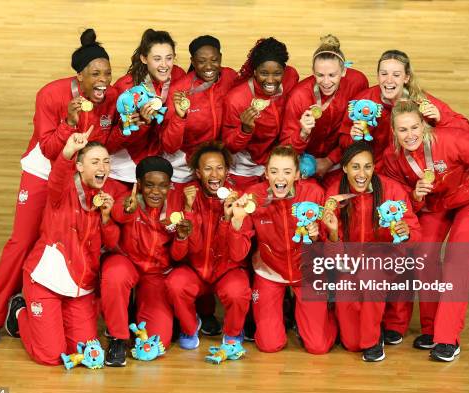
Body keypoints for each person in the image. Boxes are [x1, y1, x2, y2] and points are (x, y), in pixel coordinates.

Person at [0, 28, 122, 344]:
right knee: (22, 241)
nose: (103, 81)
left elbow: (110, 139)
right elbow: (47, 148)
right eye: (95, 74)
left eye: (108, 74)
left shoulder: (110, 99)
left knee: (81, 238)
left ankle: (70, 304)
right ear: (79, 76)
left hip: (82, 176)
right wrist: (68, 124)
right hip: (44, 174)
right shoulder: (51, 95)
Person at [383, 100, 469, 362]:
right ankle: (430, 328)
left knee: (456, 261)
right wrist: (414, 196)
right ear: (393, 132)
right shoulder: (392, 159)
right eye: (403, 130)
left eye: (415, 127)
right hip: (437, 204)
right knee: (423, 257)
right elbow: (399, 200)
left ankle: (448, 338)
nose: (410, 135)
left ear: (424, 125)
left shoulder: (448, 139)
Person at [3, 128, 119, 365]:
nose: (102, 168)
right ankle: (19, 311)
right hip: (46, 280)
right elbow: (57, 177)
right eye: (95, 161)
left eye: (106, 162)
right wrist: (68, 152)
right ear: (79, 166)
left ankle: (53, 321)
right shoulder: (62, 191)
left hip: (81, 285)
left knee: (85, 352)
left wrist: (107, 218)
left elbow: (112, 243)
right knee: (51, 356)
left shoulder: (107, 196)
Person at [226, 146, 337, 354]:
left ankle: (328, 313)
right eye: (274, 171)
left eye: (287, 172)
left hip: (307, 271)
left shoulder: (314, 193)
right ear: (266, 173)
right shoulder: (253, 198)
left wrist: (317, 237)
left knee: (318, 347)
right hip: (269, 271)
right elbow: (237, 254)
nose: (280, 178)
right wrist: (238, 221)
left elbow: (329, 251)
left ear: (297, 174)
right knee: (269, 345)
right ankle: (285, 311)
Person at [321, 141, 421, 361]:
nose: (362, 173)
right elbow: (332, 257)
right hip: (348, 266)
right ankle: (364, 330)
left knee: (371, 277)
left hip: (384, 261)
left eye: (367, 166)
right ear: (344, 168)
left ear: (374, 166)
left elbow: (415, 234)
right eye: (355, 167)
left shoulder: (391, 189)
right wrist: (334, 233)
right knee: (350, 343)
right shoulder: (333, 196)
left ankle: (373, 342)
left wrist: (406, 233)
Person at [101, 156, 196, 366]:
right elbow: (118, 212)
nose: (155, 191)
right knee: (114, 274)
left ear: (170, 186)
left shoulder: (176, 209)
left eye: (162, 186)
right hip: (127, 263)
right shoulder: (129, 200)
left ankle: (136, 313)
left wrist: (181, 238)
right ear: (139, 184)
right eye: (149, 185)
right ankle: (118, 337)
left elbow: (178, 257)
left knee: (157, 342)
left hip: (156, 274)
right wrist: (128, 209)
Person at [165, 142, 251, 349]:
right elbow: (181, 254)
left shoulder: (239, 199)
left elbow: (238, 255)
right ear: (197, 172)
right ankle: (190, 325)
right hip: (195, 269)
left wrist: (228, 219)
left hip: (227, 269)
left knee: (238, 291)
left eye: (219, 168)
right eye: (207, 168)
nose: (214, 174)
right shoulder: (186, 195)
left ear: (227, 171)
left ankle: (232, 333)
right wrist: (188, 210)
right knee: (174, 284)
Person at [338, 49, 469, 172]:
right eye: (384, 74)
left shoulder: (420, 101)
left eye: (396, 75)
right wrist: (353, 137)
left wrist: (441, 117)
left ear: (406, 78)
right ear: (378, 76)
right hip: (373, 171)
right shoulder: (363, 103)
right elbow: (343, 144)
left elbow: (464, 128)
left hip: (410, 171)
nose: (389, 80)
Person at [281, 35, 368, 184]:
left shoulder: (357, 83)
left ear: (344, 71)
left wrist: (330, 160)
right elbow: (285, 147)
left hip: (341, 160)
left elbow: (358, 131)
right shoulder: (299, 96)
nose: (326, 82)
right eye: (320, 75)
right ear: (313, 72)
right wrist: (302, 134)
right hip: (305, 162)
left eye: (332, 75)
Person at [110, 29, 187, 183]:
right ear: (144, 59)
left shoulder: (179, 76)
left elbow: (171, 140)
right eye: (157, 59)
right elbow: (112, 144)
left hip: (165, 154)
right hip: (130, 160)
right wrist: (142, 125)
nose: (164, 65)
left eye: (169, 58)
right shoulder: (125, 88)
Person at [222, 38, 299, 190]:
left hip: (280, 159)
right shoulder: (236, 99)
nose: (270, 80)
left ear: (284, 70)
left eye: (277, 73)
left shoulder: (291, 78)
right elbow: (229, 146)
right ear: (255, 71)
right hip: (247, 167)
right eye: (264, 73)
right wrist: (245, 130)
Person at [160, 35, 238, 186]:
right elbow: (169, 146)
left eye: (214, 60)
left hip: (216, 165)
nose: (209, 67)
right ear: (193, 62)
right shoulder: (179, 90)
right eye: (201, 61)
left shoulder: (230, 78)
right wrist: (179, 117)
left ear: (221, 58)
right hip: (184, 167)